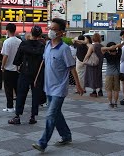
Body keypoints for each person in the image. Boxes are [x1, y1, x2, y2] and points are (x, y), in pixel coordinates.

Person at [32, 18, 84, 153]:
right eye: (50, 28)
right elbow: (43, 62)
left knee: (50, 115)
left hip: (59, 88)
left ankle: (42, 143)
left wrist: (78, 85)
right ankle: (66, 135)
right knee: (56, 114)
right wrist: (37, 77)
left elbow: (72, 68)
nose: (51, 31)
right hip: (48, 86)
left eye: (54, 29)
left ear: (61, 33)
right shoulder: (48, 45)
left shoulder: (65, 49)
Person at [8, 25, 45, 125]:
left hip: (25, 72)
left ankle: (17, 116)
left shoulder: (24, 44)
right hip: (38, 74)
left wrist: (18, 67)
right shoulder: (42, 46)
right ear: (40, 34)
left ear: (31, 33)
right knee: (35, 95)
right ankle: (33, 116)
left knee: (21, 94)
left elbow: (17, 59)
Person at [1, 23, 22, 112]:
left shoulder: (7, 42)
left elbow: (5, 55)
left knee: (8, 89)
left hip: (8, 69)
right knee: (18, 89)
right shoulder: (20, 41)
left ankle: (10, 107)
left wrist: (2, 66)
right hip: (17, 69)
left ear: (7, 30)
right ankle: (19, 106)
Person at [83, 33, 104, 97]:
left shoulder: (92, 46)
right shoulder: (102, 46)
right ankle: (100, 90)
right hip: (100, 64)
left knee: (93, 76)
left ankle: (94, 91)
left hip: (93, 64)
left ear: (93, 39)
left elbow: (88, 55)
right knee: (99, 76)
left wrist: (84, 61)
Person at [103, 42, 121, 108]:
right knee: (116, 90)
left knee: (109, 90)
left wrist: (109, 48)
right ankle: (115, 103)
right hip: (117, 73)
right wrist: (116, 46)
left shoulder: (107, 55)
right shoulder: (118, 54)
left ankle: (110, 103)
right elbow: (120, 46)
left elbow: (102, 49)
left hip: (109, 74)